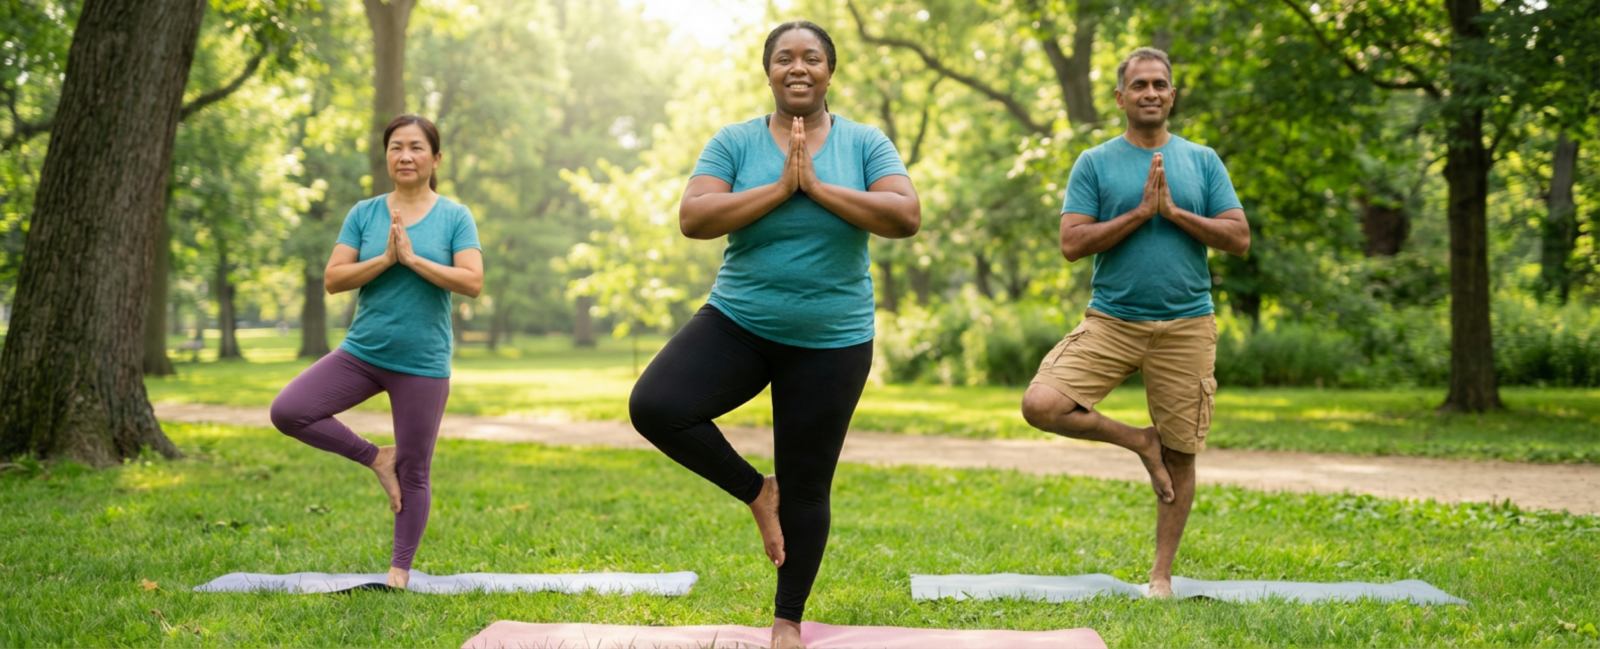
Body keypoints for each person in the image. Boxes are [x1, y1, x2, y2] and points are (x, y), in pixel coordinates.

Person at [627, 20, 919, 649]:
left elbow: (904, 214)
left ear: (829, 72)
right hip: (741, 321)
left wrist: (815, 185)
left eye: (811, 58)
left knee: (809, 483)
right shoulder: (734, 142)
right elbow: (694, 216)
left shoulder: (865, 144)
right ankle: (759, 491)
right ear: (768, 72)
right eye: (784, 57)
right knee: (656, 405)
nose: (798, 67)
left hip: (833, 338)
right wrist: (781, 187)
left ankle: (788, 620)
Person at [1019, 47, 1250, 597]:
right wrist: (1140, 215)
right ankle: (1138, 441)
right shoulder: (1095, 163)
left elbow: (1238, 238)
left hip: (1187, 325)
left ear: (1172, 95)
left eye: (1160, 84)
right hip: (1112, 320)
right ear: (1121, 97)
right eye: (1139, 85)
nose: (1150, 93)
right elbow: (1072, 244)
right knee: (1042, 404)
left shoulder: (1203, 160)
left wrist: (1174, 214)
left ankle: (1161, 576)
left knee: (1183, 452)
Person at [269, 114, 483, 589]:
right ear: (386, 156)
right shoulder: (365, 214)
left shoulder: (454, 216)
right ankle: (375, 458)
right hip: (362, 353)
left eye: (416, 147)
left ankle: (398, 573)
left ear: (435, 158)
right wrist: (385, 259)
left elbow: (472, 282)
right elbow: (333, 279)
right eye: (396, 148)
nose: (405, 156)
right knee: (289, 410)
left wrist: (413, 260)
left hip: (422, 363)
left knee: (416, 469)